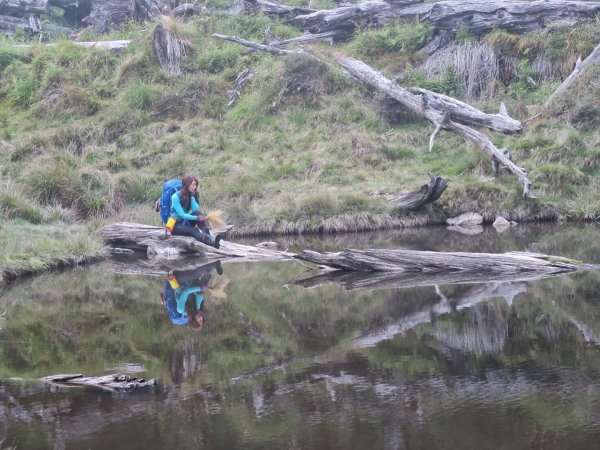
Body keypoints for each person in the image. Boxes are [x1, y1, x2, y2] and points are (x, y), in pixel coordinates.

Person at [160, 261, 223, 329]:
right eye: (202, 319)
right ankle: (214, 266)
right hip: (188, 283)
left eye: (199, 320)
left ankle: (213, 266)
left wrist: (200, 288)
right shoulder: (196, 308)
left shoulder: (181, 310)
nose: (201, 318)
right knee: (202, 280)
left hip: (178, 280)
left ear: (193, 320)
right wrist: (198, 308)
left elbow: (185, 292)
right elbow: (200, 295)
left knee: (196, 274)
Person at [169, 175, 222, 248]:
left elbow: (195, 209)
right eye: (193, 185)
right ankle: (212, 244)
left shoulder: (190, 195)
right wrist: (197, 218)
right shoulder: (175, 197)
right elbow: (182, 215)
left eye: (196, 185)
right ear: (187, 185)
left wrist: (192, 196)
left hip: (185, 223)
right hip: (175, 226)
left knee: (197, 213)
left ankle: (209, 238)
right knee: (194, 230)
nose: (195, 187)